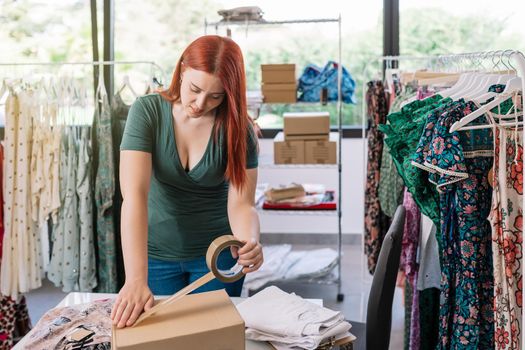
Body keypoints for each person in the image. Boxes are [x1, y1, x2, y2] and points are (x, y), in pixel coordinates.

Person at [110, 35, 263, 329]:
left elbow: (242, 204)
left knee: (210, 341)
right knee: (156, 340)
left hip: (218, 260)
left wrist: (249, 240)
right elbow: (134, 196)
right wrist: (135, 279)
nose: (201, 103)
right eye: (195, 89)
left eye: (216, 96)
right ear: (181, 69)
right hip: (153, 256)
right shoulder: (147, 111)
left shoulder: (239, 128)